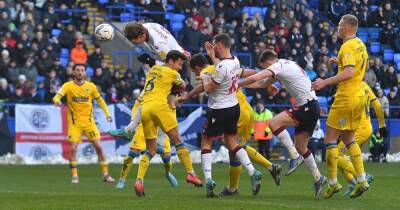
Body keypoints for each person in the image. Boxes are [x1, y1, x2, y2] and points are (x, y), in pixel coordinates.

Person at [180, 53, 281, 197]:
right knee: (234, 148)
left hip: (232, 108)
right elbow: (251, 72)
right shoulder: (229, 66)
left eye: (193, 70)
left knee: (232, 146)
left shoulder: (209, 71)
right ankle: (234, 188)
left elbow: (205, 87)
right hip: (246, 109)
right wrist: (268, 82)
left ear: (197, 67)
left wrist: (187, 95)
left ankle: (269, 168)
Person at [239, 50, 327, 198]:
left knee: (273, 123)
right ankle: (318, 178)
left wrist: (237, 84)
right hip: (312, 106)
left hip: (307, 106)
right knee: (301, 147)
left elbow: (258, 76)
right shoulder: (285, 65)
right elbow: (261, 83)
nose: (266, 69)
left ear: (269, 62)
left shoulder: (278, 66)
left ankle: (294, 156)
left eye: (265, 67)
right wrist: (245, 86)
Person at [312, 14, 369, 198]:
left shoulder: (347, 46)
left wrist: (324, 82)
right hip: (360, 96)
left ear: (345, 27)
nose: (337, 28)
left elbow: (350, 72)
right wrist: (338, 62)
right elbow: (356, 67)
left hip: (346, 97)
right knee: (349, 138)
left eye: (338, 25)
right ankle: (361, 180)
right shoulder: (360, 43)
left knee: (329, 140)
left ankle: (333, 183)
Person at [133, 50, 202, 196]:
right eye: (179, 63)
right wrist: (177, 86)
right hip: (160, 107)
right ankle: (190, 173)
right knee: (178, 141)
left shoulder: (153, 69)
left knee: (151, 150)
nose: (181, 67)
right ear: (170, 61)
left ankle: (139, 180)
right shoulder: (173, 73)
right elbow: (183, 86)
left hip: (145, 108)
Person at [108, 22, 189, 140]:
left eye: (135, 41)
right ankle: (158, 141)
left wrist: (151, 61)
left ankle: (131, 131)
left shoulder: (159, 44)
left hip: (178, 65)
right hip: (174, 58)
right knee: (161, 104)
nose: (135, 44)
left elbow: (170, 65)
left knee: (149, 98)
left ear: (141, 35)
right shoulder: (146, 26)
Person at [52, 64, 114, 184]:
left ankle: (106, 175)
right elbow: (58, 95)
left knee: (99, 147)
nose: (80, 72)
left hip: (89, 123)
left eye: (82, 70)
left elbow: (100, 100)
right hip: (75, 124)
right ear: (74, 72)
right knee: (73, 148)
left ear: (85, 73)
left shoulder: (91, 86)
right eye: (78, 70)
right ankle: (75, 176)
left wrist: (107, 114)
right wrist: (57, 100)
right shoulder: (67, 86)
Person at [337, 82, 386, 196]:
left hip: (357, 129)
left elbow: (347, 112)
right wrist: (382, 125)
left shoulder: (350, 86)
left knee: (335, 155)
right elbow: (378, 105)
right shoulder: (365, 85)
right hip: (367, 127)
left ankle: (363, 177)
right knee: (344, 158)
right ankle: (353, 184)